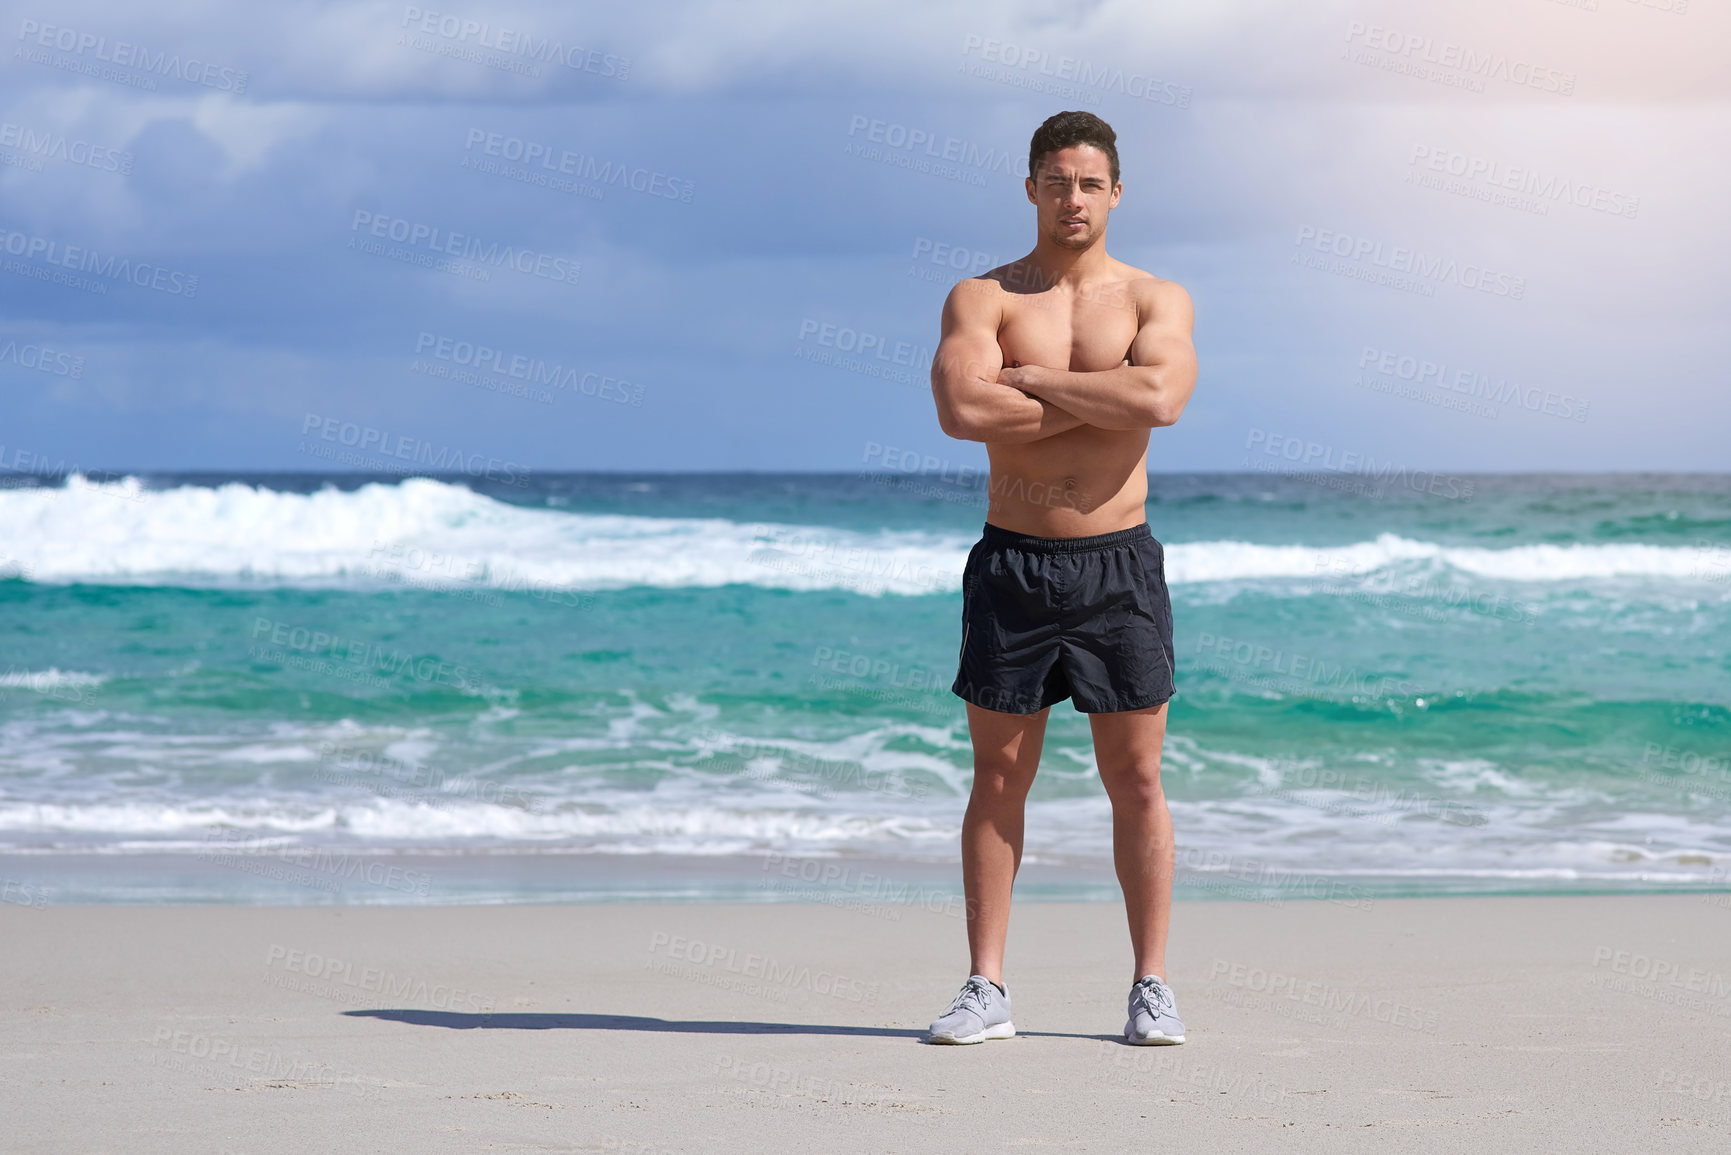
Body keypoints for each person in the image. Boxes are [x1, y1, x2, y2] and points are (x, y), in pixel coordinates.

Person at [924, 110, 1197, 1046]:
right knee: (997, 775)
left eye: (1088, 182)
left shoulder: (1155, 297)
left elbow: (1160, 398)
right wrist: (1100, 396)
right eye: (1054, 180)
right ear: (1029, 187)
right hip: (1014, 561)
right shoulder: (982, 296)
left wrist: (1030, 385)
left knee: (1136, 778)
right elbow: (962, 407)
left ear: (1115, 192)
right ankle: (984, 987)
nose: (1071, 198)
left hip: (1118, 563)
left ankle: (1150, 985)